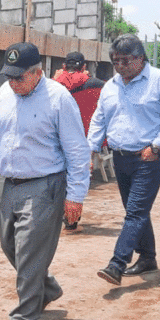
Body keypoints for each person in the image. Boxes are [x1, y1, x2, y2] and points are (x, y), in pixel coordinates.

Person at [0, 42, 90, 320]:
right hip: (11, 184)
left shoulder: (58, 99)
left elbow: (77, 151)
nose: (13, 83)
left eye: (19, 77)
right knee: (10, 244)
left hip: (45, 185)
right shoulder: (4, 94)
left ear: (38, 73)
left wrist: (75, 197)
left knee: (29, 253)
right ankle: (46, 288)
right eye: (9, 77)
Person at [88, 34, 160, 286]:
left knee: (135, 213)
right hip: (121, 158)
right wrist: (92, 148)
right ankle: (148, 258)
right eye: (115, 61)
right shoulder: (111, 86)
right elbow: (100, 118)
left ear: (140, 58)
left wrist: (157, 146)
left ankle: (116, 264)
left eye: (125, 61)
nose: (120, 66)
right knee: (136, 211)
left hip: (148, 159)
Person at [55, 52, 106, 232]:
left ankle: (58, 215)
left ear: (63, 66)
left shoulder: (52, 85)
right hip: (83, 140)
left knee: (59, 177)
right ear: (84, 67)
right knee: (78, 178)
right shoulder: (96, 85)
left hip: (56, 139)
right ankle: (71, 220)